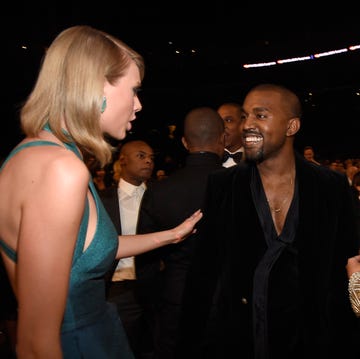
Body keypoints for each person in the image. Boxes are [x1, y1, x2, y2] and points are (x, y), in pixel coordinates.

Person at [0, 25, 202, 359]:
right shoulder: (60, 170)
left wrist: (170, 236)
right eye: (134, 90)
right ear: (97, 86)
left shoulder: (34, 153)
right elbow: (35, 343)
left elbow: (80, 253)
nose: (138, 105)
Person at [177, 83, 359, 359]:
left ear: (291, 126)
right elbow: (204, 273)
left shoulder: (331, 185)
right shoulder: (223, 185)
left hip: (317, 338)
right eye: (245, 116)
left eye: (260, 116)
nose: (247, 125)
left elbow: (351, 259)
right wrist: (190, 345)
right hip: (244, 337)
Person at [136, 106, 225, 359]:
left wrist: (154, 304)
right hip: (229, 304)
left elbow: (146, 263)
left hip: (176, 301)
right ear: (223, 139)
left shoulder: (158, 191)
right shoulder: (244, 185)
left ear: (185, 142)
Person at [100, 139, 155, 358]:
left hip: (153, 287)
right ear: (122, 160)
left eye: (151, 157)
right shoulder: (102, 201)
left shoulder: (160, 196)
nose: (149, 161)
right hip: (116, 289)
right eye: (141, 156)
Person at [217, 102, 245, 167]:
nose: (222, 125)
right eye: (218, 120)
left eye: (228, 120)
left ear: (243, 124)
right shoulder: (210, 159)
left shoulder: (256, 160)